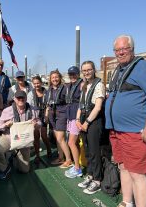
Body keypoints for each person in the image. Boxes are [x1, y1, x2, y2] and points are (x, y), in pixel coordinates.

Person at [105, 35, 146, 207]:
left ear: (132, 49)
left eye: (124, 49)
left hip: (134, 130)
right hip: (116, 130)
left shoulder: (143, 67)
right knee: (123, 166)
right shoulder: (119, 70)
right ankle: (127, 202)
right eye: (117, 50)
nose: (120, 53)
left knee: (137, 173)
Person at [0, 90, 41, 179]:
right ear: (14, 99)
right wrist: (5, 125)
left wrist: (36, 124)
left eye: (23, 98)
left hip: (24, 140)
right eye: (18, 98)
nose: (20, 99)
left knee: (25, 170)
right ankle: (5, 168)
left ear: (26, 99)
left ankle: (15, 156)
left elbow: (40, 123)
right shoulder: (7, 110)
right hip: (9, 137)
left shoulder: (33, 110)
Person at [76, 61, 105, 194]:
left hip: (93, 121)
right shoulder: (84, 86)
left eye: (89, 70)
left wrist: (87, 122)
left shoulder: (99, 85)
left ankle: (97, 180)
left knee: (94, 151)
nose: (86, 72)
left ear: (94, 70)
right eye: (84, 70)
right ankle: (91, 175)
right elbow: (80, 106)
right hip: (83, 120)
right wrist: (77, 120)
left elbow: (98, 107)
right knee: (87, 150)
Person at [46, 70, 72, 168]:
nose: (55, 79)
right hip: (52, 115)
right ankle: (61, 157)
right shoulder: (50, 90)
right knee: (58, 139)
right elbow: (48, 104)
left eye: (56, 77)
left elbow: (68, 102)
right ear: (50, 79)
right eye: (53, 77)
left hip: (61, 114)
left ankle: (68, 159)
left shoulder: (65, 88)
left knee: (61, 138)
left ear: (60, 78)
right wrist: (46, 115)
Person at [64, 66, 84, 178]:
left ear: (78, 74)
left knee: (71, 142)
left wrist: (79, 119)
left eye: (74, 74)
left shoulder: (82, 85)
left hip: (77, 117)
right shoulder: (70, 85)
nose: (72, 76)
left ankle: (77, 168)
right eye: (70, 74)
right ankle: (77, 164)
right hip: (70, 116)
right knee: (74, 143)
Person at [27, 75, 52, 164]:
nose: (37, 85)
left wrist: (46, 115)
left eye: (38, 83)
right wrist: (32, 119)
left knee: (44, 136)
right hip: (35, 117)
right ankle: (37, 155)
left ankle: (49, 149)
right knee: (36, 137)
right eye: (35, 84)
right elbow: (29, 107)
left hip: (44, 115)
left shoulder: (46, 92)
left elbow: (48, 105)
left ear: (41, 83)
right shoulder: (30, 94)